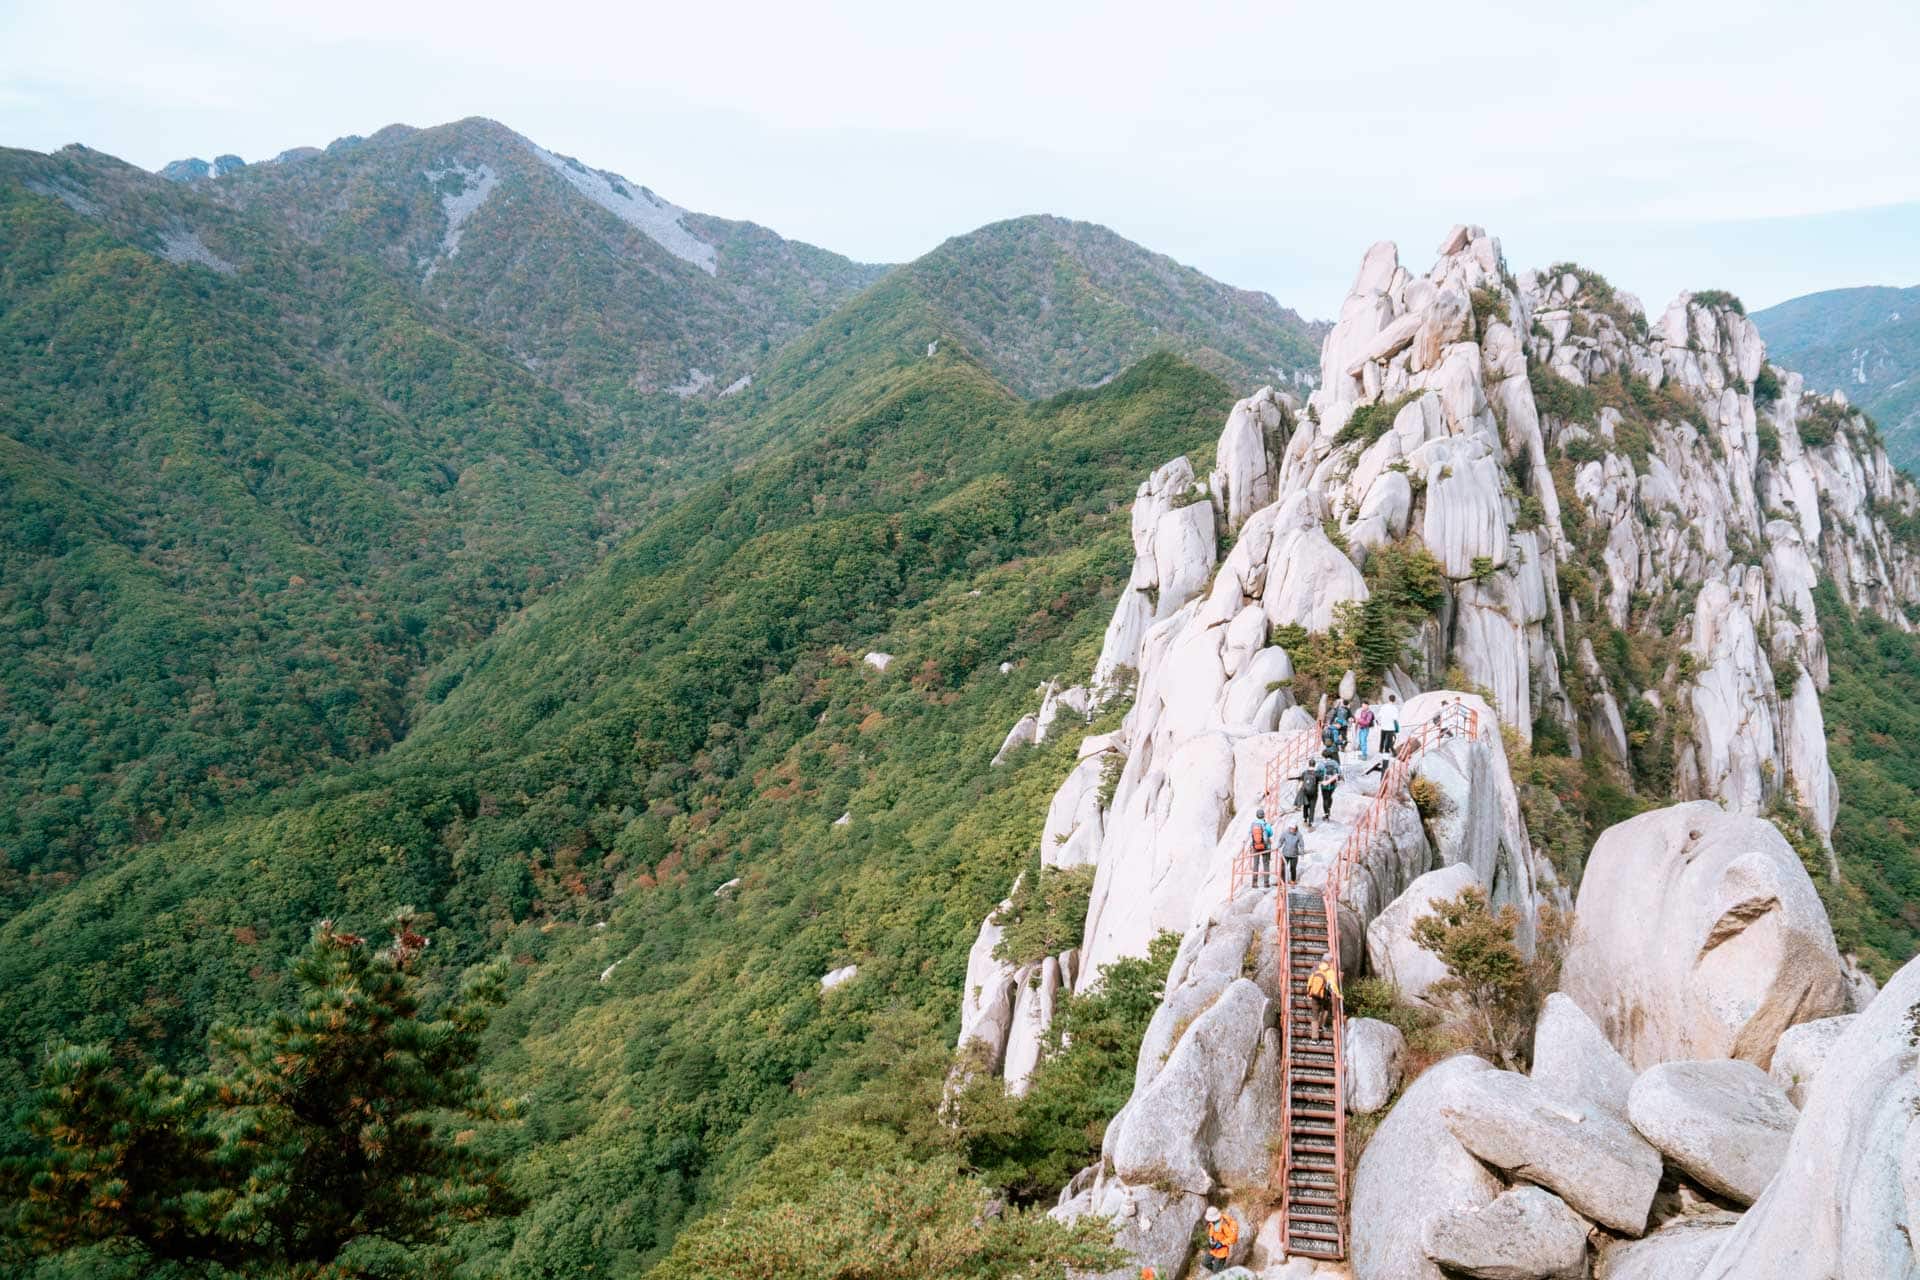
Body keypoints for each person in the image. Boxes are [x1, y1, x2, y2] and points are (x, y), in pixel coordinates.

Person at [1306, 951, 1342, 1041]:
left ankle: (1314, 1038)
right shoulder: (1330, 971)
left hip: (1314, 994)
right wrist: (1338, 994)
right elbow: (1333, 985)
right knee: (1326, 1008)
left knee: (1314, 1015)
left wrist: (1308, 992)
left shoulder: (1315, 968)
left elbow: (1310, 981)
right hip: (1324, 995)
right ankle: (1321, 1025)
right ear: (1329, 961)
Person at [1202, 1206, 1239, 1273]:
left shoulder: (1224, 1224)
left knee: (1216, 1270)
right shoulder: (1213, 1222)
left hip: (1222, 1251)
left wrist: (1221, 1243)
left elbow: (1232, 1238)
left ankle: (1220, 1273)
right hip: (1213, 1248)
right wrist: (1210, 1239)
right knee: (1205, 1263)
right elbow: (1212, 1231)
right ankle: (1221, 1272)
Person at [1248, 807, 1275, 889]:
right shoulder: (1266, 824)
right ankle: (1266, 883)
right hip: (1265, 847)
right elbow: (1271, 834)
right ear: (1263, 815)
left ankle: (1254, 883)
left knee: (1255, 864)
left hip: (1255, 846)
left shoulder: (1253, 824)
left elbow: (1250, 833)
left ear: (1257, 815)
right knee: (1266, 864)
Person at [1277, 819, 1304, 885]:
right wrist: (1278, 846)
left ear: (1295, 828)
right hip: (1285, 853)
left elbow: (1301, 844)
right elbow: (1281, 840)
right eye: (1290, 828)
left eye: (1293, 828)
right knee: (1283, 868)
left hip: (1294, 855)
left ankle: (1293, 880)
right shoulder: (1285, 833)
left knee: (1293, 868)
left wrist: (1302, 851)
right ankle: (1282, 880)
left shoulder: (1298, 835)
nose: (1291, 829)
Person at [1317, 750, 1340, 821]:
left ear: (1323, 756)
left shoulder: (1321, 764)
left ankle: (1326, 814)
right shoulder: (1335, 763)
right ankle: (1329, 808)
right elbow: (1339, 772)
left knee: (1325, 799)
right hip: (1333, 783)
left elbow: (1318, 773)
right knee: (1330, 796)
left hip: (1324, 784)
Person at [1294, 765, 1319, 831]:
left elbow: (1301, 782)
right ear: (1314, 765)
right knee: (1312, 808)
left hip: (1305, 792)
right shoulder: (1317, 774)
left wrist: (1298, 791)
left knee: (1305, 805)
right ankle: (1310, 823)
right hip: (1314, 793)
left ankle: (1305, 819)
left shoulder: (1304, 773)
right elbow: (1321, 782)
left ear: (1309, 764)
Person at [1376, 690, 1401, 756]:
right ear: (1394, 700)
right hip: (1390, 727)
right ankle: (1389, 752)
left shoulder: (1384, 707)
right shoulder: (1395, 708)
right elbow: (1395, 718)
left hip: (1383, 726)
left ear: (1388, 699)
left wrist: (1379, 722)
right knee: (1389, 741)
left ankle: (1380, 751)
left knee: (1382, 740)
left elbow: (1379, 716)